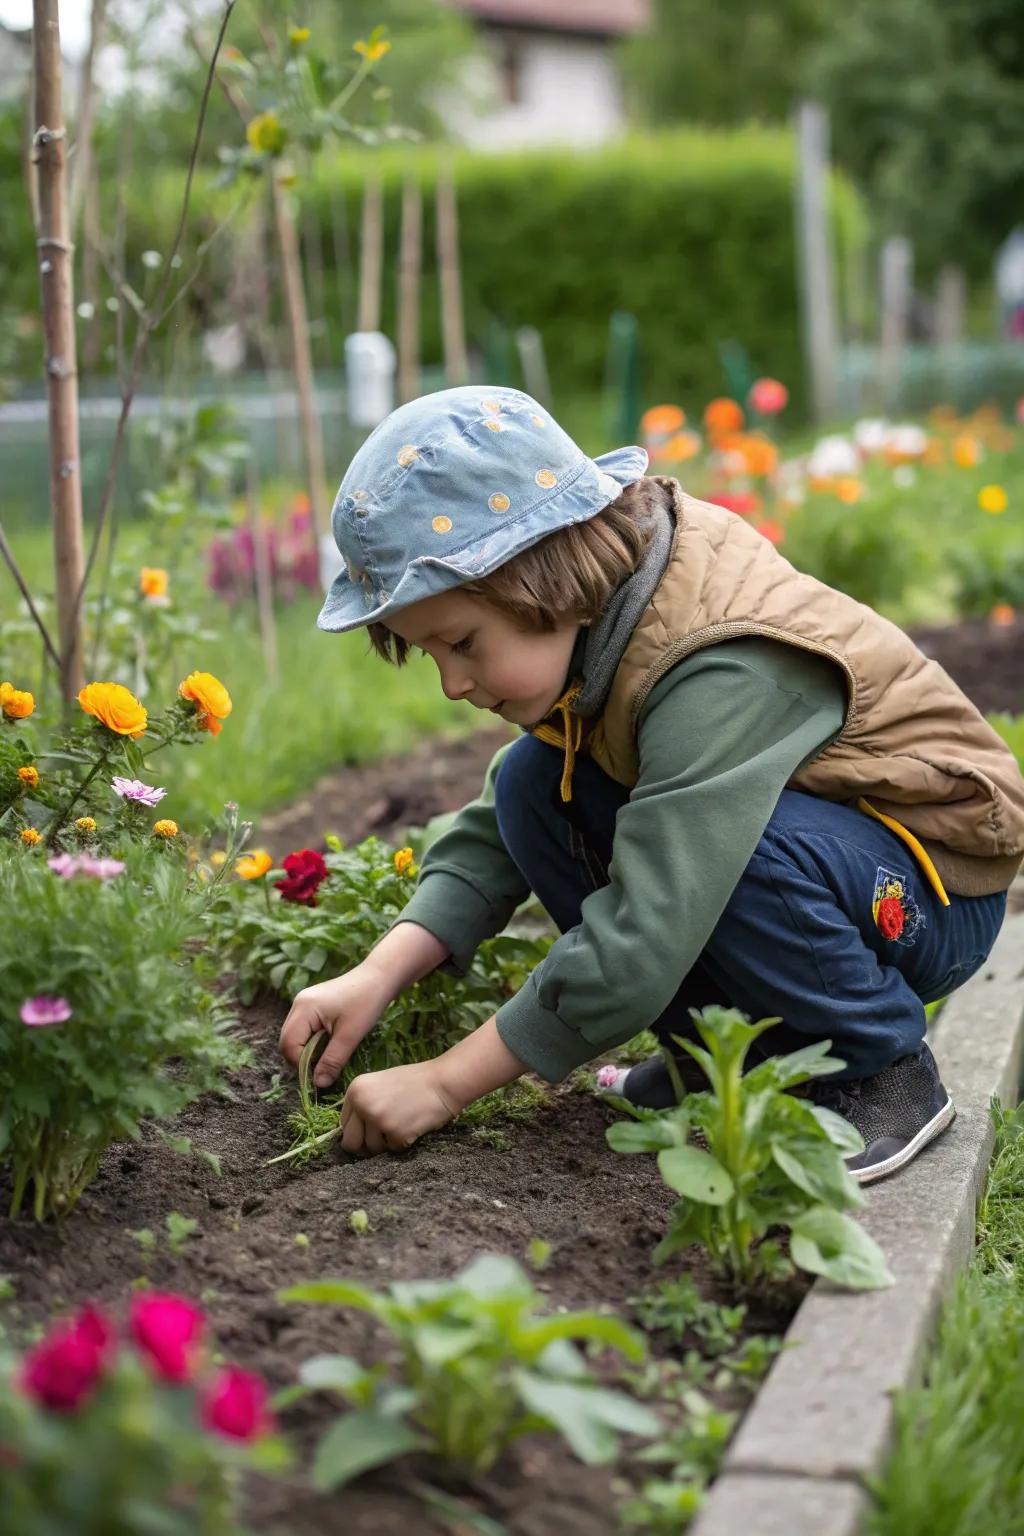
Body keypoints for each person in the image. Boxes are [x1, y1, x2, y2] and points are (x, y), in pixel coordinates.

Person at [279, 385, 1024, 1183]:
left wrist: (443, 1082)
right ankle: (719, 1055)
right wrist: (379, 971)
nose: (452, 684)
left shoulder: (718, 661)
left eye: (461, 642)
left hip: (931, 884)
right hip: (817, 847)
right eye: (430, 655)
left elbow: (646, 928)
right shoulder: (604, 622)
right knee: (536, 783)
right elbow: (499, 828)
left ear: (539, 575)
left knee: (728, 857)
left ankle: (877, 1067)